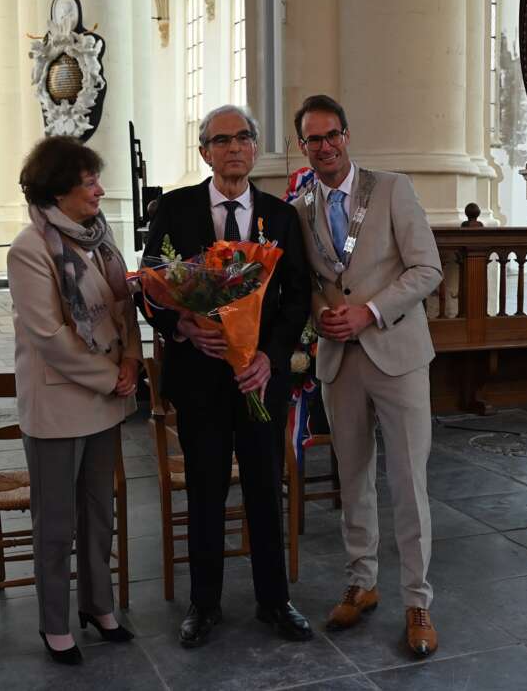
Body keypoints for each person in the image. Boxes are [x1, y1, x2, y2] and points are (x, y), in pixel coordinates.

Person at [140, 105, 313, 648]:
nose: (234, 147)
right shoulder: (174, 209)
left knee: (264, 487)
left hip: (258, 380)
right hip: (200, 378)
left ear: (255, 148)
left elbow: (297, 297)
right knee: (206, 490)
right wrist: (184, 327)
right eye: (222, 140)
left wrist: (270, 358)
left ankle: (274, 600)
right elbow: (151, 286)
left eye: (243, 138)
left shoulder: (281, 216)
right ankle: (204, 603)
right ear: (204, 152)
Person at [292, 94, 444, 657]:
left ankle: (418, 601)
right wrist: (321, 315)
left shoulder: (392, 189)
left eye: (333, 135)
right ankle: (362, 582)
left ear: (347, 136)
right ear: (303, 147)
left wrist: (371, 311)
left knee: (408, 481)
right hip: (340, 360)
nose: (325, 146)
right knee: (353, 479)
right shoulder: (300, 207)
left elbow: (427, 268)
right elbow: (309, 282)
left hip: (396, 352)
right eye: (314, 139)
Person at [9, 136, 141, 665]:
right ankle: (54, 623)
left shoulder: (100, 240)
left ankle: (99, 606)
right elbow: (50, 336)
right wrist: (112, 376)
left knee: (98, 512)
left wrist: (133, 360)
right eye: (89, 183)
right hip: (61, 404)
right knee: (57, 521)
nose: (100, 191)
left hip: (106, 398)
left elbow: (124, 308)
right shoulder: (30, 248)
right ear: (59, 191)